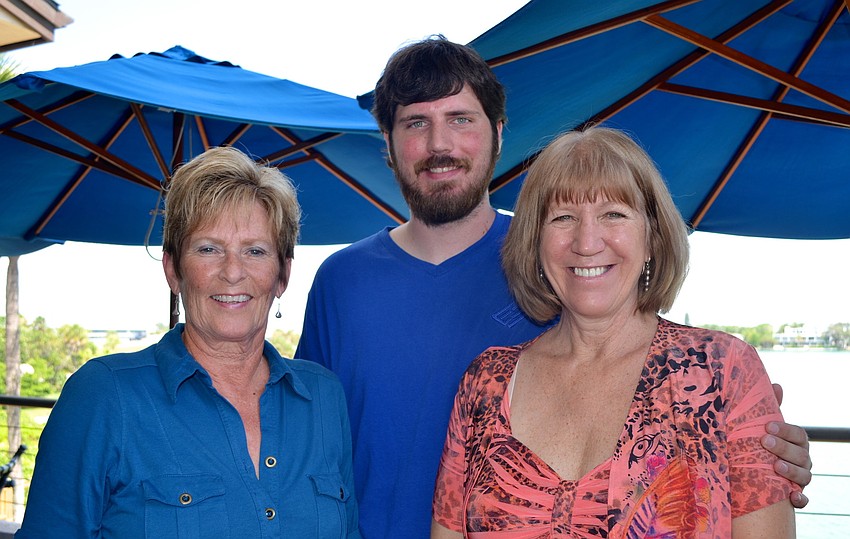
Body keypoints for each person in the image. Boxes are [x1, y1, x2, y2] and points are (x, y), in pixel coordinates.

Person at [296, 36, 810, 538]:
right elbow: (293, 429)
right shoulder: (341, 282)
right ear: (387, 143)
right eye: (415, 123)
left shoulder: (567, 264)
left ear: (497, 133)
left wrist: (759, 443)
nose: (440, 144)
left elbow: (679, 383)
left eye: (460, 119)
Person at [431, 126, 796, 537]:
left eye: (614, 214)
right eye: (563, 218)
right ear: (534, 241)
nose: (587, 242)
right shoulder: (485, 383)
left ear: (653, 236)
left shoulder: (722, 372)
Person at [17, 147, 361, 538]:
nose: (233, 272)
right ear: (173, 270)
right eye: (208, 249)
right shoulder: (104, 396)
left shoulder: (324, 397)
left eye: (255, 251)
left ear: (282, 275)